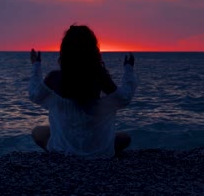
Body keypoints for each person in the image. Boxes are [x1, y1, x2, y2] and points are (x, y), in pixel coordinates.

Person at [29, 25, 137, 158]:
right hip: (97, 149)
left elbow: (35, 93)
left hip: (63, 149)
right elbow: (124, 98)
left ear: (65, 51)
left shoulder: (55, 77)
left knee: (38, 131)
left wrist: (36, 65)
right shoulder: (99, 77)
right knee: (124, 138)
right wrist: (128, 69)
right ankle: (91, 152)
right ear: (93, 50)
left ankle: (65, 152)